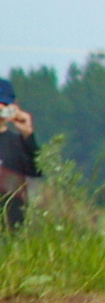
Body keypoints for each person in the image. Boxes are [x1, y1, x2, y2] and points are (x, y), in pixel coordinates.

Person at [0, 79, 37, 233]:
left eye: (4, 105)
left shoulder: (18, 143)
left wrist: (28, 134)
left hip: (10, 229)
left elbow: (36, 172)